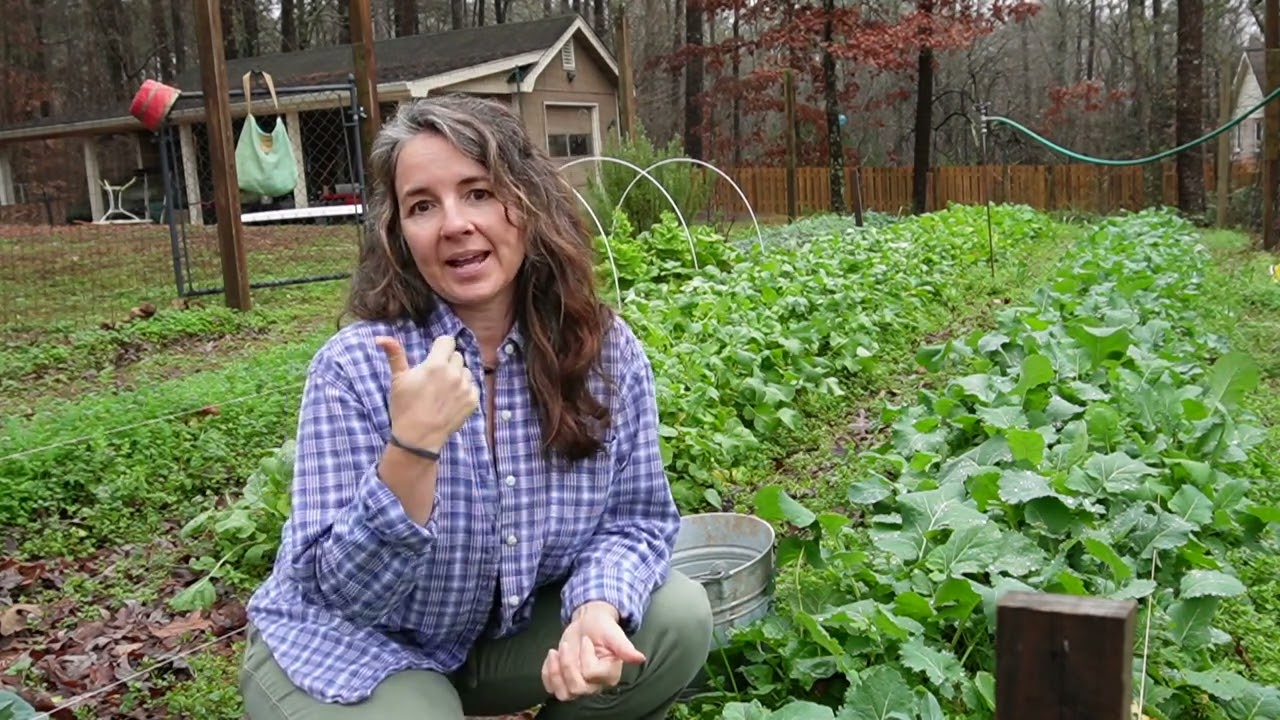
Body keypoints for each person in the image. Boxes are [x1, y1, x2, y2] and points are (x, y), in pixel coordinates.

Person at [237, 94, 714, 719]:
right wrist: (412, 449)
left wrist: (596, 608)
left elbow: (637, 521)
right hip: (346, 646)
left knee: (673, 619)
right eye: (422, 206)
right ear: (400, 235)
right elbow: (340, 596)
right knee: (417, 713)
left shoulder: (602, 350)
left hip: (489, 641)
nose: (454, 223)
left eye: (478, 192)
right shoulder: (354, 367)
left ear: (527, 203)